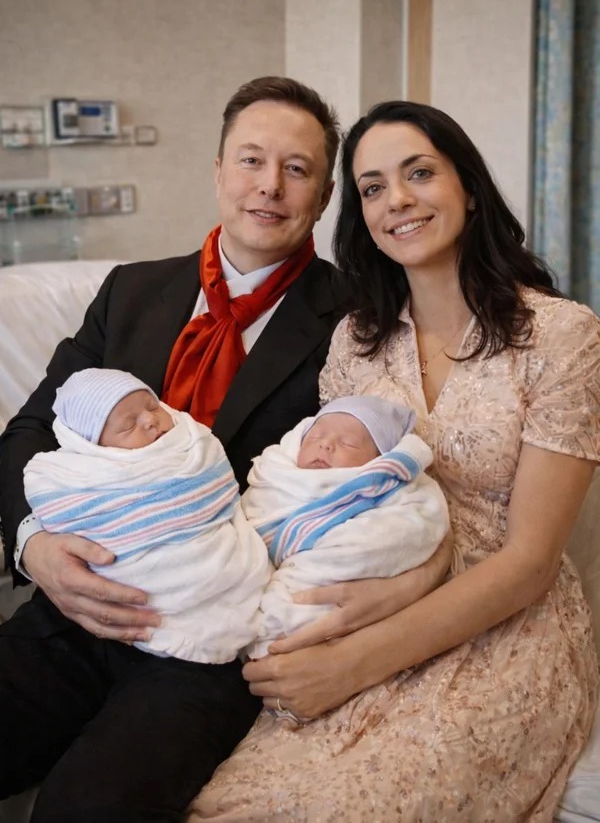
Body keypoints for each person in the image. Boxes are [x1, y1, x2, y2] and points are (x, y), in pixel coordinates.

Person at [0, 78, 450, 823]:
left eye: (297, 169)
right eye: (250, 160)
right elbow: (27, 432)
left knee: (83, 807)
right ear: (218, 171)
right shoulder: (129, 292)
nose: (269, 185)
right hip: (74, 604)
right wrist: (32, 545)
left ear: (323, 195)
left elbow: (381, 485)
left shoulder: (358, 319)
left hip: (212, 646)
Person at [188, 100, 600, 822]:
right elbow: (318, 494)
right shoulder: (356, 339)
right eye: (373, 187)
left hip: (501, 623)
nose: (397, 200)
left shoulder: (562, 336)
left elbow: (531, 562)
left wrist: (356, 661)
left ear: (469, 188)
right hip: (364, 579)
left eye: (420, 173)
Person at [24, 367, 270, 663]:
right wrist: (31, 543)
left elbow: (213, 474)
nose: (151, 420)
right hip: (89, 599)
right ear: (93, 446)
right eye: (129, 425)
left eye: (153, 406)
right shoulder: (86, 474)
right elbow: (32, 445)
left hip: (211, 576)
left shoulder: (189, 441)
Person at [244, 394, 450, 662]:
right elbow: (247, 517)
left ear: (379, 459)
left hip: (328, 566)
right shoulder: (277, 477)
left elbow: (394, 533)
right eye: (315, 437)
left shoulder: (384, 488)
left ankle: (278, 624)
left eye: (348, 443)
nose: (326, 445)